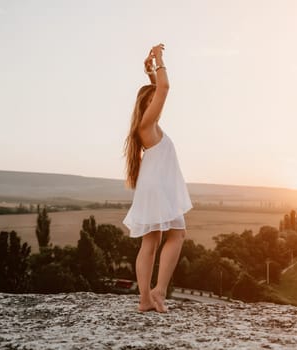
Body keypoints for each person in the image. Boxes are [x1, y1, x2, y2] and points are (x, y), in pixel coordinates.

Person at [122, 43, 193, 313]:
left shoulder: (148, 124)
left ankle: (146, 299)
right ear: (148, 104)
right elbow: (163, 90)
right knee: (174, 235)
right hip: (156, 188)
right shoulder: (147, 125)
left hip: (154, 187)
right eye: (154, 100)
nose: (160, 103)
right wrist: (160, 58)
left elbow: (157, 91)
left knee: (152, 242)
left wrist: (150, 71)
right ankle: (158, 292)